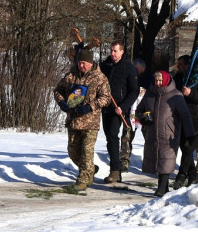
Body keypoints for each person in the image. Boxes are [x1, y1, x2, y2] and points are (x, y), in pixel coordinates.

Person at [53, 49, 112, 190]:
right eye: (79, 63)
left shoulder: (99, 78)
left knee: (86, 152)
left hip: (90, 121)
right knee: (73, 152)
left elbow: (106, 98)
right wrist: (61, 102)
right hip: (74, 120)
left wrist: (90, 106)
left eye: (84, 63)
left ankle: (82, 181)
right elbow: (58, 90)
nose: (81, 66)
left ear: (91, 63)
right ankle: (90, 168)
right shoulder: (71, 76)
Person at [138, 70, 195, 197]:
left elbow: (185, 115)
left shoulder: (176, 95)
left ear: (165, 81)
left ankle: (161, 187)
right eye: (156, 81)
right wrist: (143, 118)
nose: (158, 83)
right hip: (152, 132)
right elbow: (139, 110)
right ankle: (164, 188)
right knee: (157, 158)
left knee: (166, 158)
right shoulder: (149, 94)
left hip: (169, 133)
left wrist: (190, 134)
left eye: (160, 81)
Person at [98, 41, 141, 183]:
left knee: (112, 135)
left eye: (115, 51)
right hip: (106, 106)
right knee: (109, 138)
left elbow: (134, 91)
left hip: (119, 109)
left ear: (122, 52)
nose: (112, 53)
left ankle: (115, 171)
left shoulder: (129, 68)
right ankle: (115, 170)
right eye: (111, 50)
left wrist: (123, 106)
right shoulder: (105, 65)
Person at [172, 55, 198, 189]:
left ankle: (181, 176)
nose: (178, 67)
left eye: (180, 64)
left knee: (189, 148)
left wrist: (191, 94)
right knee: (183, 147)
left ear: (187, 66)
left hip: (194, 119)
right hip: (179, 117)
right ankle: (193, 175)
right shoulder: (177, 78)